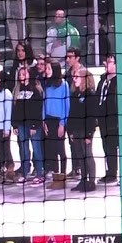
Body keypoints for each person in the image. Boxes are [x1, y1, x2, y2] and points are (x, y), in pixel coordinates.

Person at [11, 65, 44, 184]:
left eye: (24, 74)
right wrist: (14, 125)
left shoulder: (36, 89)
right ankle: (25, 174)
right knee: (24, 150)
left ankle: (39, 174)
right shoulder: (17, 90)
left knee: (36, 149)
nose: (22, 77)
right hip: (21, 124)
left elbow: (38, 109)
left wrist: (34, 125)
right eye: (20, 75)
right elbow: (14, 109)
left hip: (34, 125)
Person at [67, 68, 98, 192]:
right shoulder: (75, 94)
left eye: (76, 77)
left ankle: (91, 181)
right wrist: (70, 131)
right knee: (80, 156)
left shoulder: (90, 94)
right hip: (76, 130)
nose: (74, 80)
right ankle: (83, 180)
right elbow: (71, 113)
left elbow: (91, 116)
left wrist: (89, 134)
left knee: (87, 155)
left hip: (86, 130)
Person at [41, 57, 70, 188]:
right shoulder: (47, 84)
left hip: (59, 121)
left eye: (48, 68)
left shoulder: (64, 84)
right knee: (51, 150)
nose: (46, 71)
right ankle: (56, 177)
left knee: (60, 150)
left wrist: (62, 124)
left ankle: (62, 177)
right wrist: (43, 121)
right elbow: (44, 103)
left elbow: (66, 105)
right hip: (48, 119)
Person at [96, 55, 120, 184]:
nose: (106, 64)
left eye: (110, 62)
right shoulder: (103, 80)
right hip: (102, 120)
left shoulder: (119, 82)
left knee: (118, 147)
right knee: (107, 148)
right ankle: (110, 173)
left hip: (114, 120)